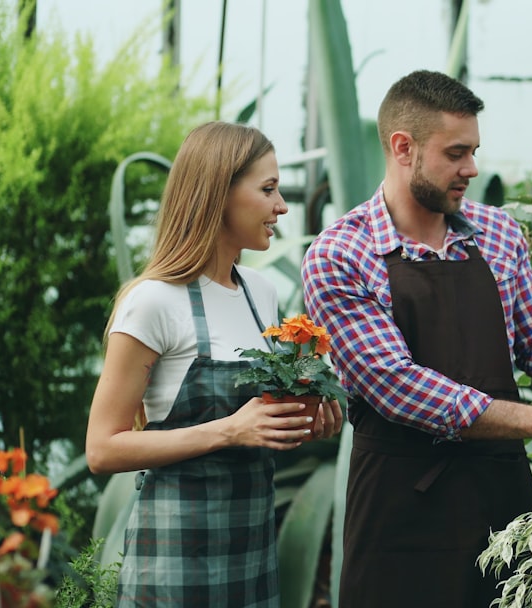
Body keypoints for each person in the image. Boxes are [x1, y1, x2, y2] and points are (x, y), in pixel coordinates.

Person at [301, 69, 532, 608]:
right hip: (399, 509)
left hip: (501, 500)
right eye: (455, 153)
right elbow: (394, 384)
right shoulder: (341, 254)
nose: (471, 169)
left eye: (474, 151)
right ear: (403, 148)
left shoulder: (497, 232)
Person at [85, 121, 344, 608]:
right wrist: (229, 430)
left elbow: (256, 428)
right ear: (218, 193)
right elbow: (102, 449)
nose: (282, 206)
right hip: (175, 563)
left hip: (252, 556)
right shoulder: (152, 302)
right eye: (268, 189)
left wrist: (305, 421)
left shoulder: (260, 294)